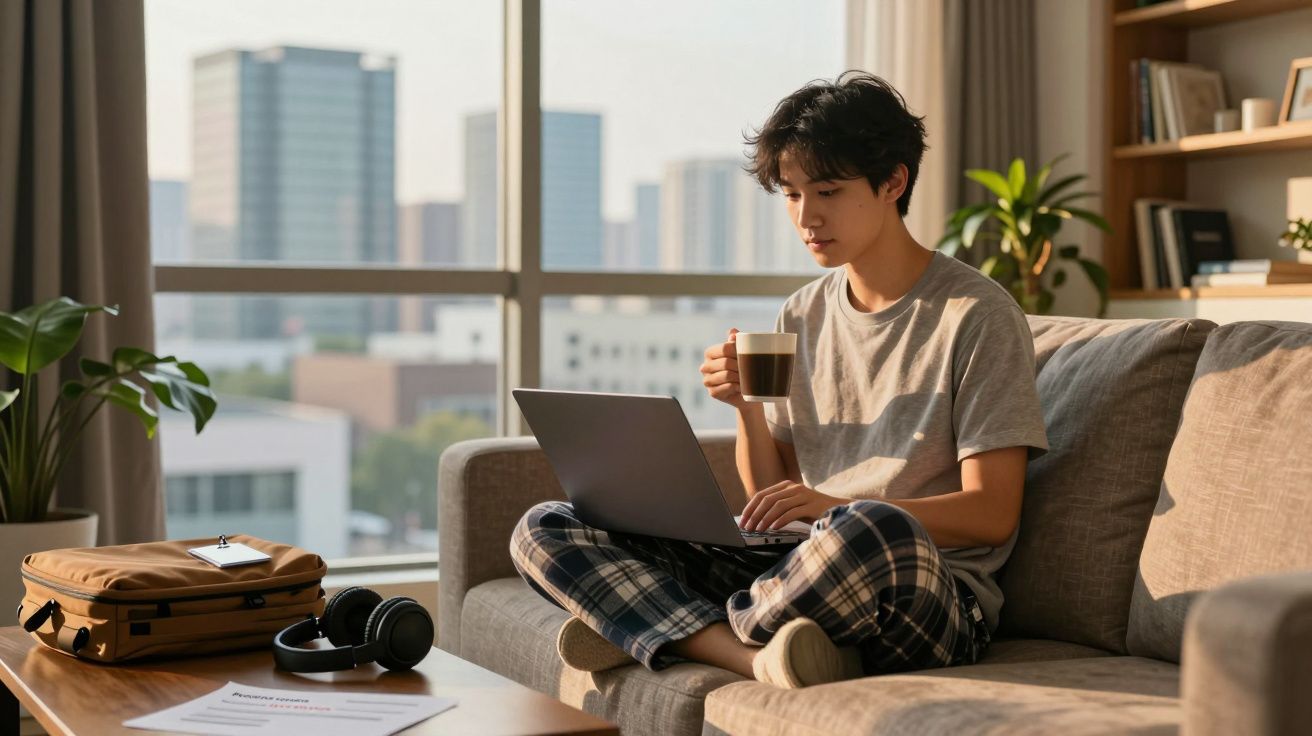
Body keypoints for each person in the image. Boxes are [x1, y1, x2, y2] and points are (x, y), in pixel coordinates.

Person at [510, 71, 1049, 688]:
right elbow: (773, 496)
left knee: (872, 527)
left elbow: (992, 514)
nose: (806, 217)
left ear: (893, 182)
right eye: (791, 195)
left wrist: (837, 507)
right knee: (546, 526)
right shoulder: (802, 313)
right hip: (798, 564)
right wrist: (746, 408)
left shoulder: (978, 316)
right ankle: (753, 655)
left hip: (924, 588)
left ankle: (660, 629)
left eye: (828, 191)